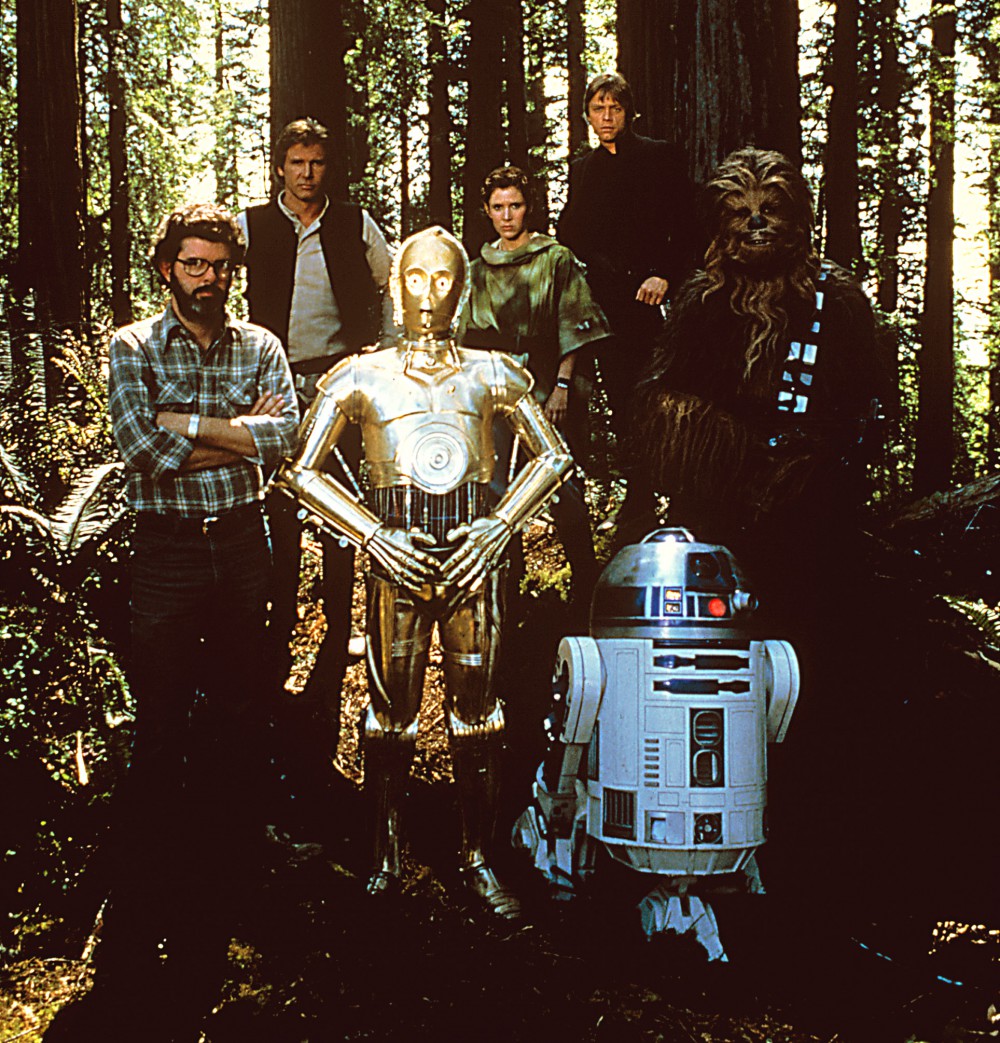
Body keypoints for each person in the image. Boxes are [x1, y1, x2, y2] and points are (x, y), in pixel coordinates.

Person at [49, 203, 299, 1040]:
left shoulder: (259, 345)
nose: (208, 278)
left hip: (243, 546)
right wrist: (238, 433)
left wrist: (184, 422)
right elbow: (140, 451)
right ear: (167, 269)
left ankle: (227, 887)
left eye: (220, 265)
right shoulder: (133, 347)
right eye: (194, 264)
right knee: (159, 724)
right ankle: (141, 892)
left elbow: (285, 436)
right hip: (165, 552)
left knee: (238, 715)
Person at [275, 226, 573, 917]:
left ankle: (478, 857)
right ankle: (384, 856)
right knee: (389, 717)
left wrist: (501, 524)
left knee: (479, 718)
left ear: (462, 290)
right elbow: (299, 470)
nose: (429, 293)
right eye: (415, 277)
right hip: (395, 559)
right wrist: (371, 532)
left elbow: (553, 455)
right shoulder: (359, 376)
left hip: (475, 559)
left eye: (444, 278)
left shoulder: (492, 373)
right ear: (394, 288)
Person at [239, 117, 394, 748]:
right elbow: (213, 285)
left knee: (340, 509)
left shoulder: (354, 223)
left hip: (340, 388)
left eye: (317, 163)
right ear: (280, 166)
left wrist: (384, 356)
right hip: (273, 387)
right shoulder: (252, 226)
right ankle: (276, 625)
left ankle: (337, 626)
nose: (307, 174)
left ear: (330, 168)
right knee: (276, 508)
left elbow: (392, 285)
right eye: (297, 162)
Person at [460, 165, 610, 614]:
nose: (508, 216)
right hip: (494, 387)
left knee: (559, 482)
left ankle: (586, 588)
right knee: (496, 489)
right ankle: (509, 592)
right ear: (487, 211)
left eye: (516, 206)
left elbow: (575, 322)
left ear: (529, 208)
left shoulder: (555, 259)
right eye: (499, 207)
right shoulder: (476, 270)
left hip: (544, 383)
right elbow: (465, 340)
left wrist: (562, 385)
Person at [557, 71, 696, 537]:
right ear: (587, 115)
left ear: (628, 112)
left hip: (656, 303)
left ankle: (677, 500)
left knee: (663, 402)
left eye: (614, 108)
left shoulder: (660, 157)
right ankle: (637, 503)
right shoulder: (584, 169)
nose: (607, 117)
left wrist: (665, 275)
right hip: (608, 306)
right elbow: (572, 232)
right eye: (598, 108)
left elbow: (689, 227)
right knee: (621, 404)